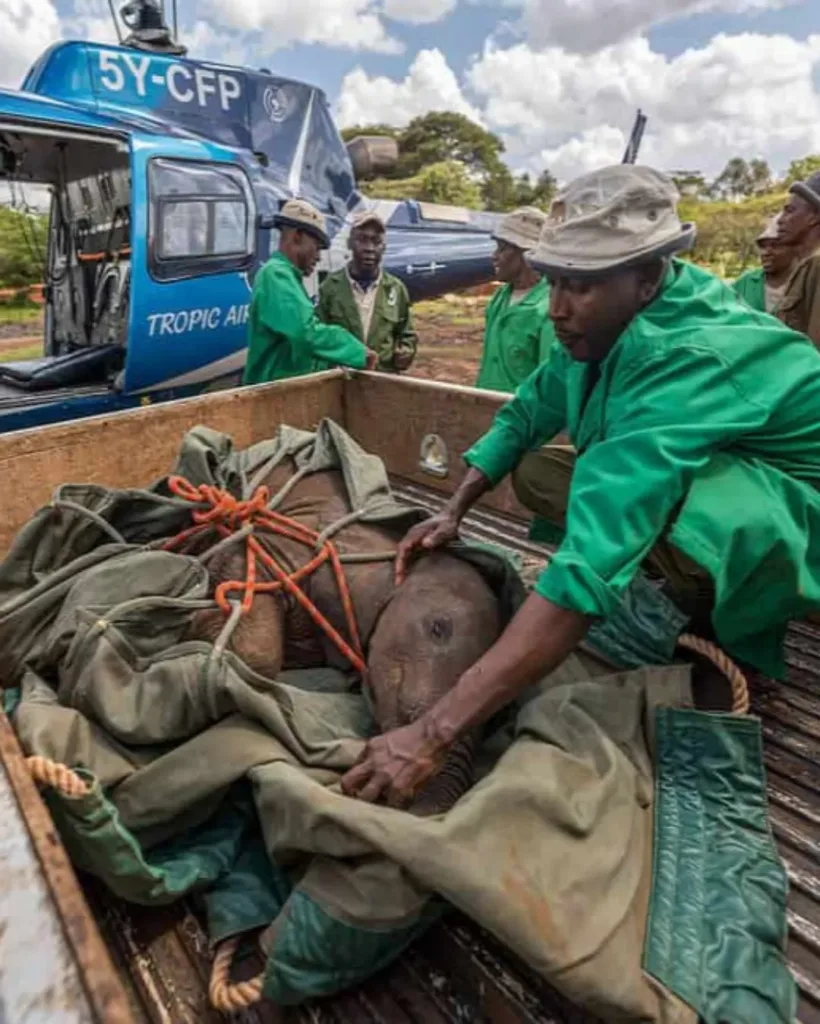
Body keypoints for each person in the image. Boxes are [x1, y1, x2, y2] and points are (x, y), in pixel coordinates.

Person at [341, 164, 820, 808]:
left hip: (798, 517)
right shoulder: (604, 322)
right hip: (735, 475)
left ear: (648, 277)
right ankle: (672, 582)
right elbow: (530, 407)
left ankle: (723, 621)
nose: (558, 308)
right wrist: (455, 508)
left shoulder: (683, 358)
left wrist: (431, 733)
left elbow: (591, 559)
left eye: (582, 286)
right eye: (554, 281)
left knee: (681, 508)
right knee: (547, 472)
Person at [244, 199, 377, 385]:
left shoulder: (289, 278)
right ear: (298, 236)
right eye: (317, 247)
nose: (318, 256)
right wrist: (356, 352)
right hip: (270, 395)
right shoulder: (275, 275)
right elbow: (306, 333)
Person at [317, 211, 417, 373]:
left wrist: (406, 352)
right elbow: (318, 339)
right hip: (342, 383)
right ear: (349, 243)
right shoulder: (330, 288)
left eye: (376, 242)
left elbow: (407, 334)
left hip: (382, 382)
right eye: (362, 240)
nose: (369, 249)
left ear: (384, 247)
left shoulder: (395, 289)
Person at [475, 207, 558, 392]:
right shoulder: (500, 298)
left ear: (527, 254)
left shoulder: (550, 308)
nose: (494, 256)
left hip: (521, 417)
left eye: (503, 249)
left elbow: (549, 384)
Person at [772, 172, 820, 345]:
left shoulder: (816, 265)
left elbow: (815, 354)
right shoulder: (804, 265)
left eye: (790, 211)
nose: (780, 220)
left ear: (813, 217)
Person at [732, 214, 795, 313]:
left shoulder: (805, 282)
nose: (766, 252)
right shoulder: (745, 283)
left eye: (775, 246)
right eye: (763, 246)